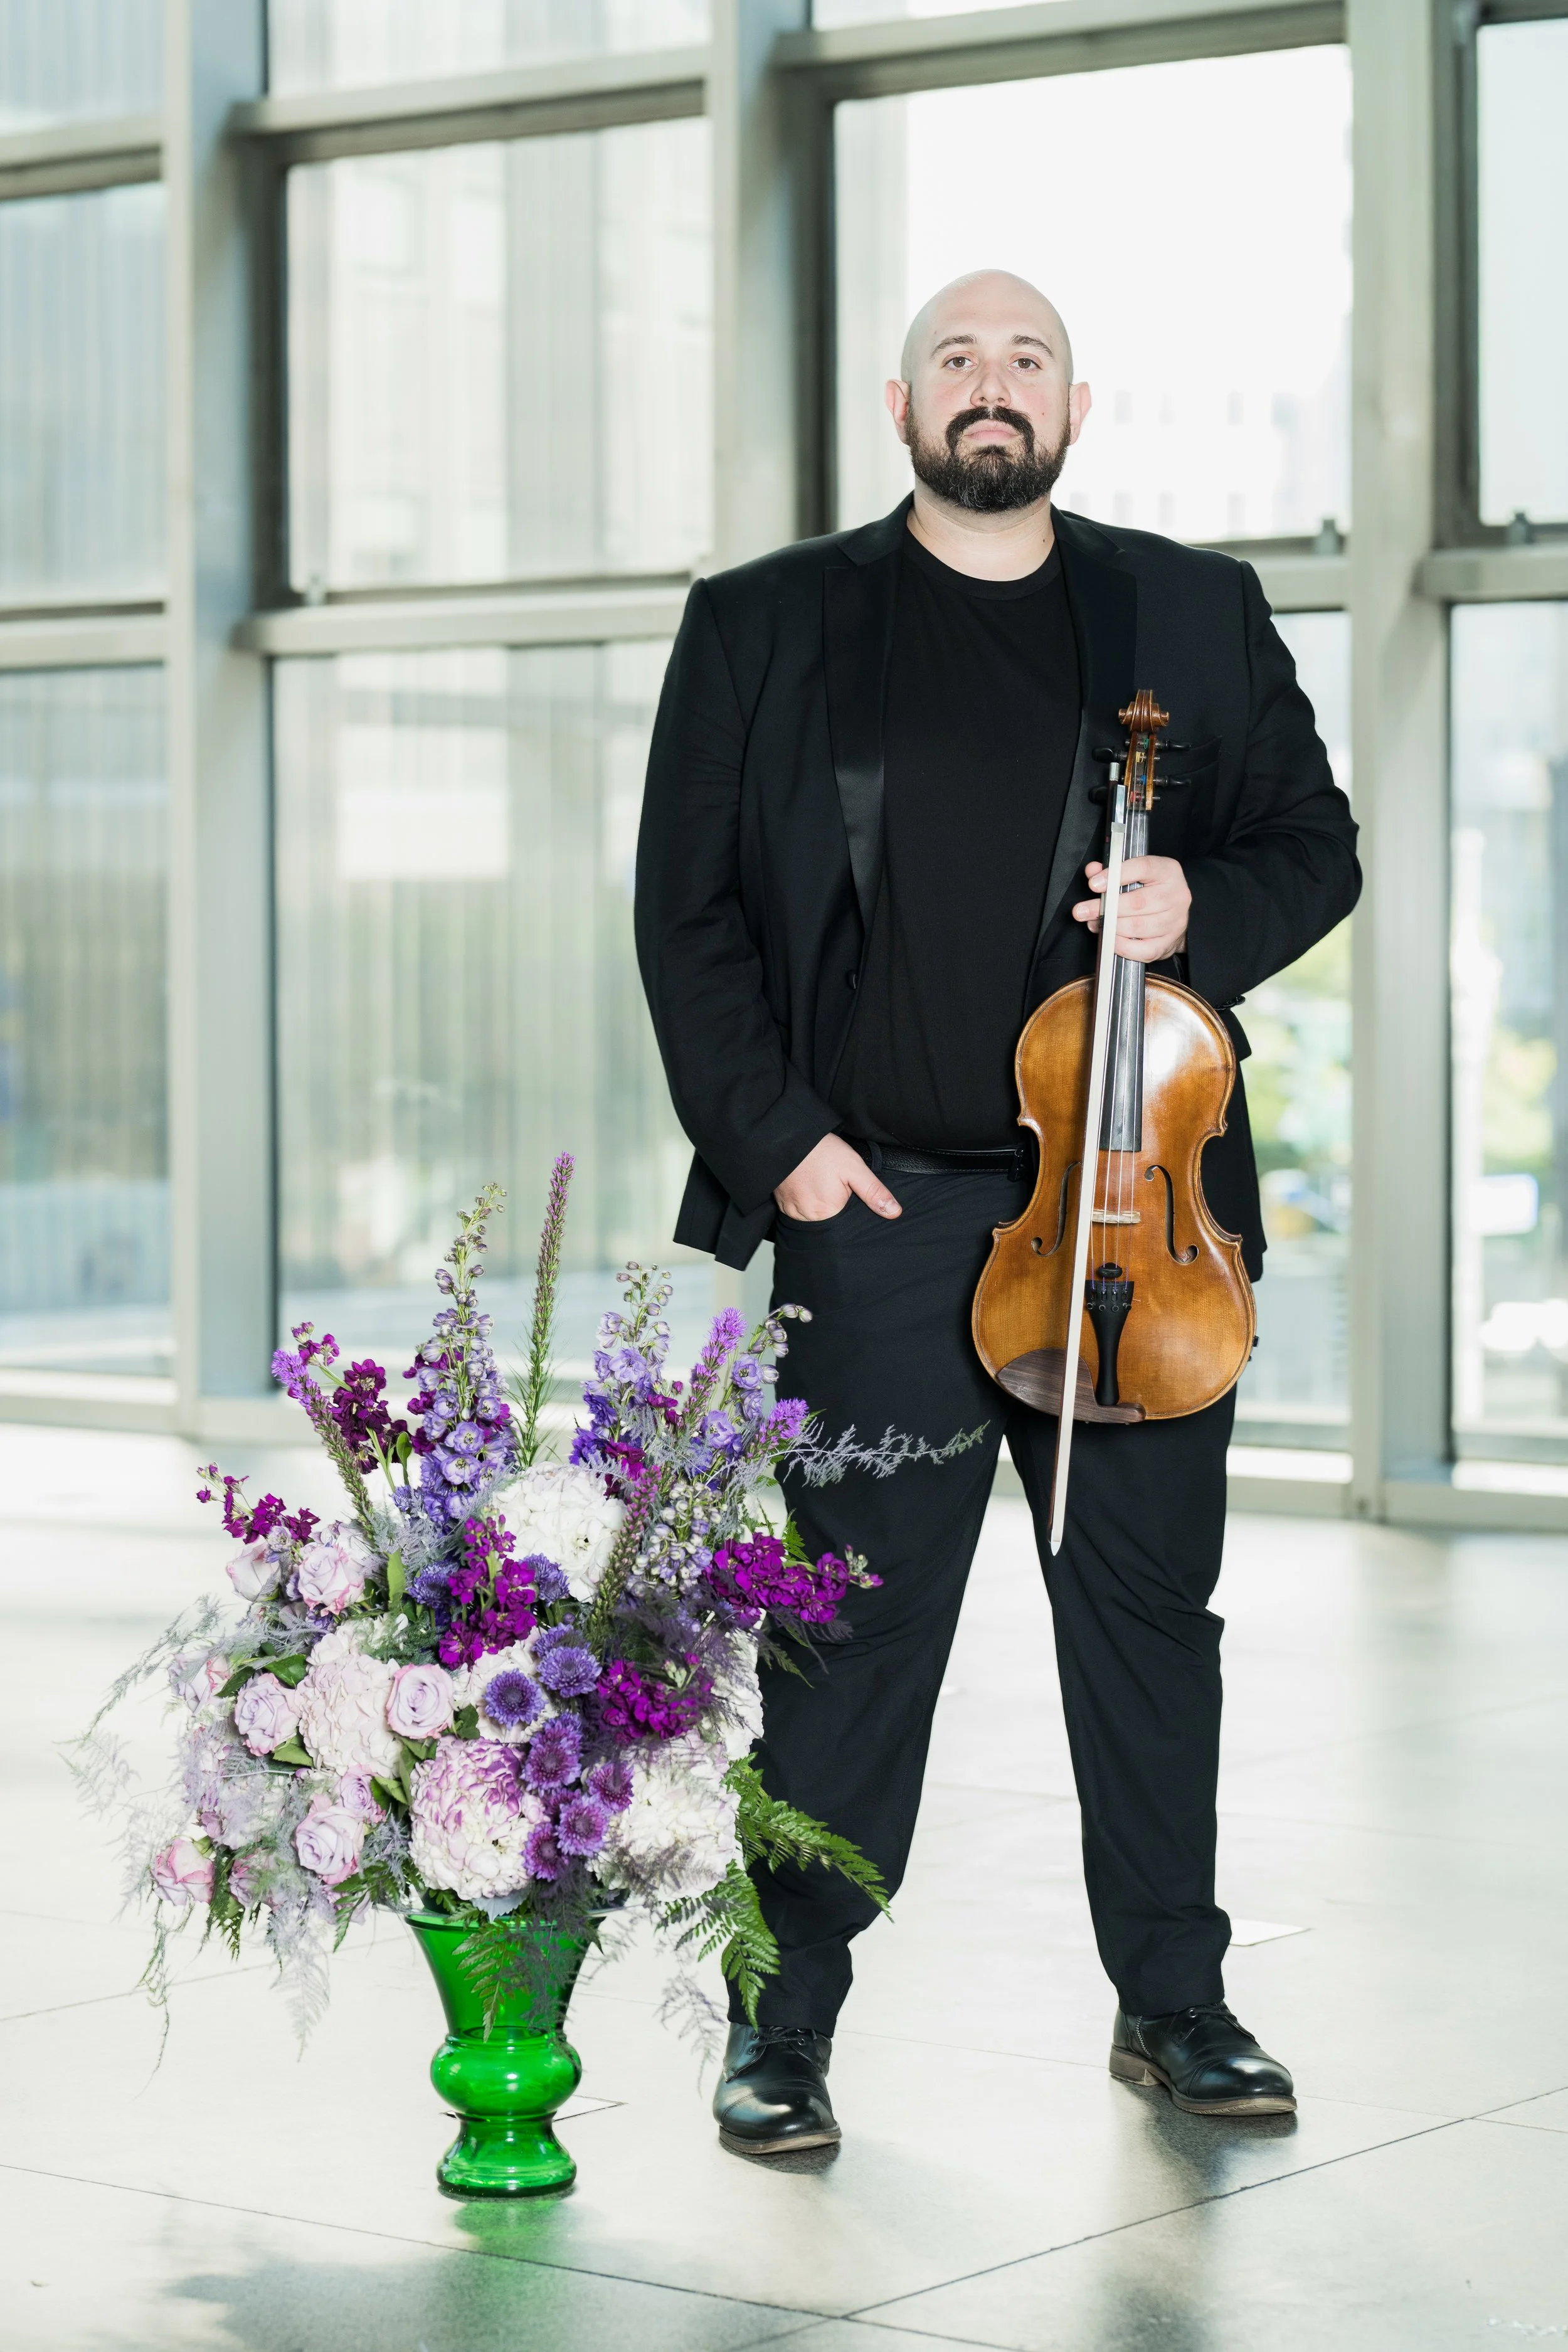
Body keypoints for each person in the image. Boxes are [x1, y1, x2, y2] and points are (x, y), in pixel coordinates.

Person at [635, 269, 1359, 2155]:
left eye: (1022, 357)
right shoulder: (765, 624)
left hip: (1135, 1220)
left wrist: (1199, 906)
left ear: (1075, 403)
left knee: (1143, 1617)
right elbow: (686, 909)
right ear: (899, 406)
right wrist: (784, 1140)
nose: (989, 385)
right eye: (954, 357)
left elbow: (1316, 843)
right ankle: (779, 2021)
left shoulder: (1187, 612)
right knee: (850, 1627)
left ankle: (1175, 2003)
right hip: (875, 1207)